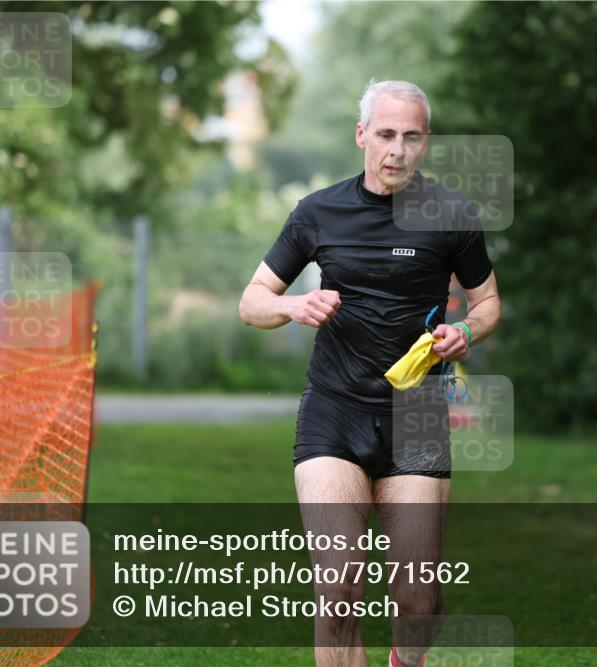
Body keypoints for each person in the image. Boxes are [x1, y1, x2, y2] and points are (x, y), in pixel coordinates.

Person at [239, 79, 501, 667]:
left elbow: (488, 303)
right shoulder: (317, 212)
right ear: (361, 135)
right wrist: (290, 306)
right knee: (337, 589)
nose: (397, 150)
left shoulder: (452, 215)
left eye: (411, 137)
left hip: (416, 418)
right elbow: (251, 302)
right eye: (385, 134)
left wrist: (466, 332)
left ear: (425, 142)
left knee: (418, 598)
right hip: (335, 412)